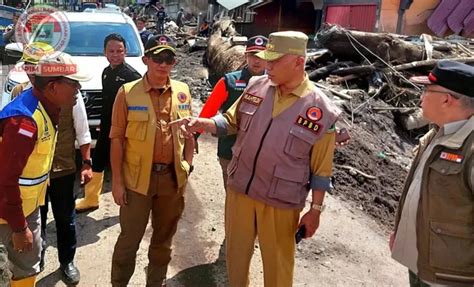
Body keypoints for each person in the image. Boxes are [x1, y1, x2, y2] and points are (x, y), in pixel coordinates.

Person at [171, 31, 341, 286]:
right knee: (235, 260)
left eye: (274, 61)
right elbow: (230, 120)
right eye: (266, 60)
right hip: (240, 192)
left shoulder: (320, 110)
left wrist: (314, 210)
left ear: (298, 62)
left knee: (278, 268)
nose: (267, 67)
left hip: (280, 203)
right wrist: (201, 123)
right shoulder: (256, 87)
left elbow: (321, 169)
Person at [110, 35, 195, 286]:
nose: (163, 64)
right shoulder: (127, 93)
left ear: (174, 62)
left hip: (171, 180)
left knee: (163, 241)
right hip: (137, 182)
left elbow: (189, 132)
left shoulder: (183, 91)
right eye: (157, 58)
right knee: (129, 241)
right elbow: (116, 139)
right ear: (146, 60)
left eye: (168, 59)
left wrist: (187, 165)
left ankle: (155, 283)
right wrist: (117, 182)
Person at [0, 52, 90, 287]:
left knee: (28, 262)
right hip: (9, 212)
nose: (78, 89)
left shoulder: (46, 106)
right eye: (73, 83)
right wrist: (20, 227)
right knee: (22, 265)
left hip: (26, 206)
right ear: (52, 87)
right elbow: (6, 180)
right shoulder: (25, 122)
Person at [390, 60, 474, 286]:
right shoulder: (437, 134)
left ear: (446, 99)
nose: (420, 98)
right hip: (422, 264)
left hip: (452, 278)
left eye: (426, 91)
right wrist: (402, 232)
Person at [75, 33, 141, 212]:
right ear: (104, 52)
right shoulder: (106, 72)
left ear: (125, 52)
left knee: (126, 164)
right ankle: (90, 199)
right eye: (111, 50)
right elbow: (107, 101)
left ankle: (132, 201)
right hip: (106, 127)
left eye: (119, 50)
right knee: (98, 160)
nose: (115, 54)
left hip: (124, 128)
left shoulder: (132, 76)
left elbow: (137, 106)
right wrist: (103, 122)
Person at [199, 35, 267, 189]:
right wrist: (193, 137)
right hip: (230, 151)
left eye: (262, 56)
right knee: (233, 199)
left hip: (263, 156)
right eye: (252, 55)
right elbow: (207, 112)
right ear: (245, 56)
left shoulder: (276, 84)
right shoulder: (229, 81)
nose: (257, 60)